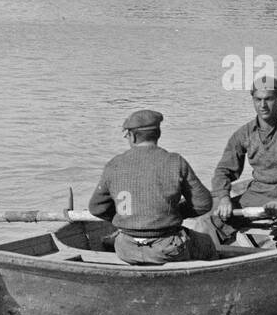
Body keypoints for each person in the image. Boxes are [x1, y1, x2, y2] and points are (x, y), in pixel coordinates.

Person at [88, 110, 218, 265]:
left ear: (133, 136)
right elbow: (203, 204)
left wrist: (127, 217)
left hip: (126, 248)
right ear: (158, 134)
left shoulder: (113, 164)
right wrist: (172, 213)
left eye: (127, 135)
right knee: (207, 242)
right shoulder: (175, 162)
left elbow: (96, 208)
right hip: (167, 249)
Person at [211, 76, 277, 249]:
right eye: (258, 99)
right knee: (209, 224)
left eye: (269, 99)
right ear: (252, 100)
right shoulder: (243, 133)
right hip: (257, 194)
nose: (263, 105)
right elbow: (223, 171)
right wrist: (223, 198)